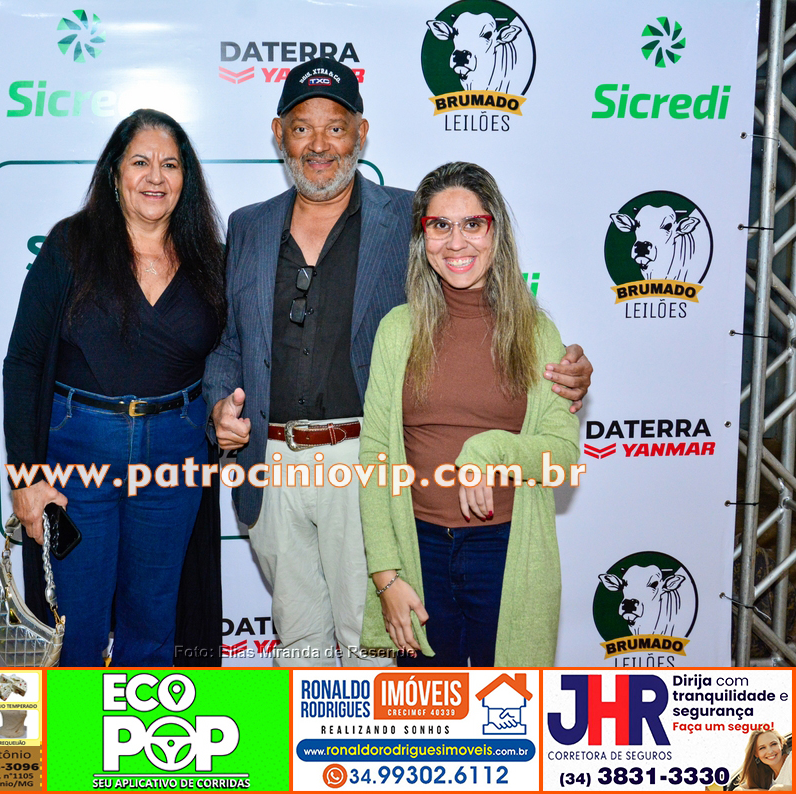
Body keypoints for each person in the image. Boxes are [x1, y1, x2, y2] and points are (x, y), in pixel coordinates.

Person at [203, 58, 593, 668]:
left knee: (373, 649)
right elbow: (231, 342)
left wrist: (566, 368)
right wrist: (219, 404)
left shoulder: (411, 218)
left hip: (363, 459)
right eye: (302, 128)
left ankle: (374, 737)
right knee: (299, 645)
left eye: (336, 128)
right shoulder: (248, 227)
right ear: (279, 135)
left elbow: (483, 303)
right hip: (270, 464)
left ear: (361, 134)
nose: (319, 145)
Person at [3, 108, 225, 666]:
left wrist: (227, 409)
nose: (155, 177)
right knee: (74, 626)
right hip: (79, 453)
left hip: (175, 454)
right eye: (140, 162)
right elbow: (24, 362)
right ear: (114, 172)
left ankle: (142, 723)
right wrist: (25, 477)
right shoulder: (71, 244)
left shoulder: (208, 256)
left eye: (170, 164)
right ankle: (79, 725)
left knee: (153, 621)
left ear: (186, 178)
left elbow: (228, 354)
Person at [358, 161, 579, 667]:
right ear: (423, 239)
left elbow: (564, 457)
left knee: (506, 708)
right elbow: (375, 458)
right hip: (417, 550)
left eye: (472, 224)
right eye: (440, 225)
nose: (456, 242)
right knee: (428, 710)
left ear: (496, 232)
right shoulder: (397, 329)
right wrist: (386, 577)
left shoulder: (537, 333)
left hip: (506, 550)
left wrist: (488, 450)